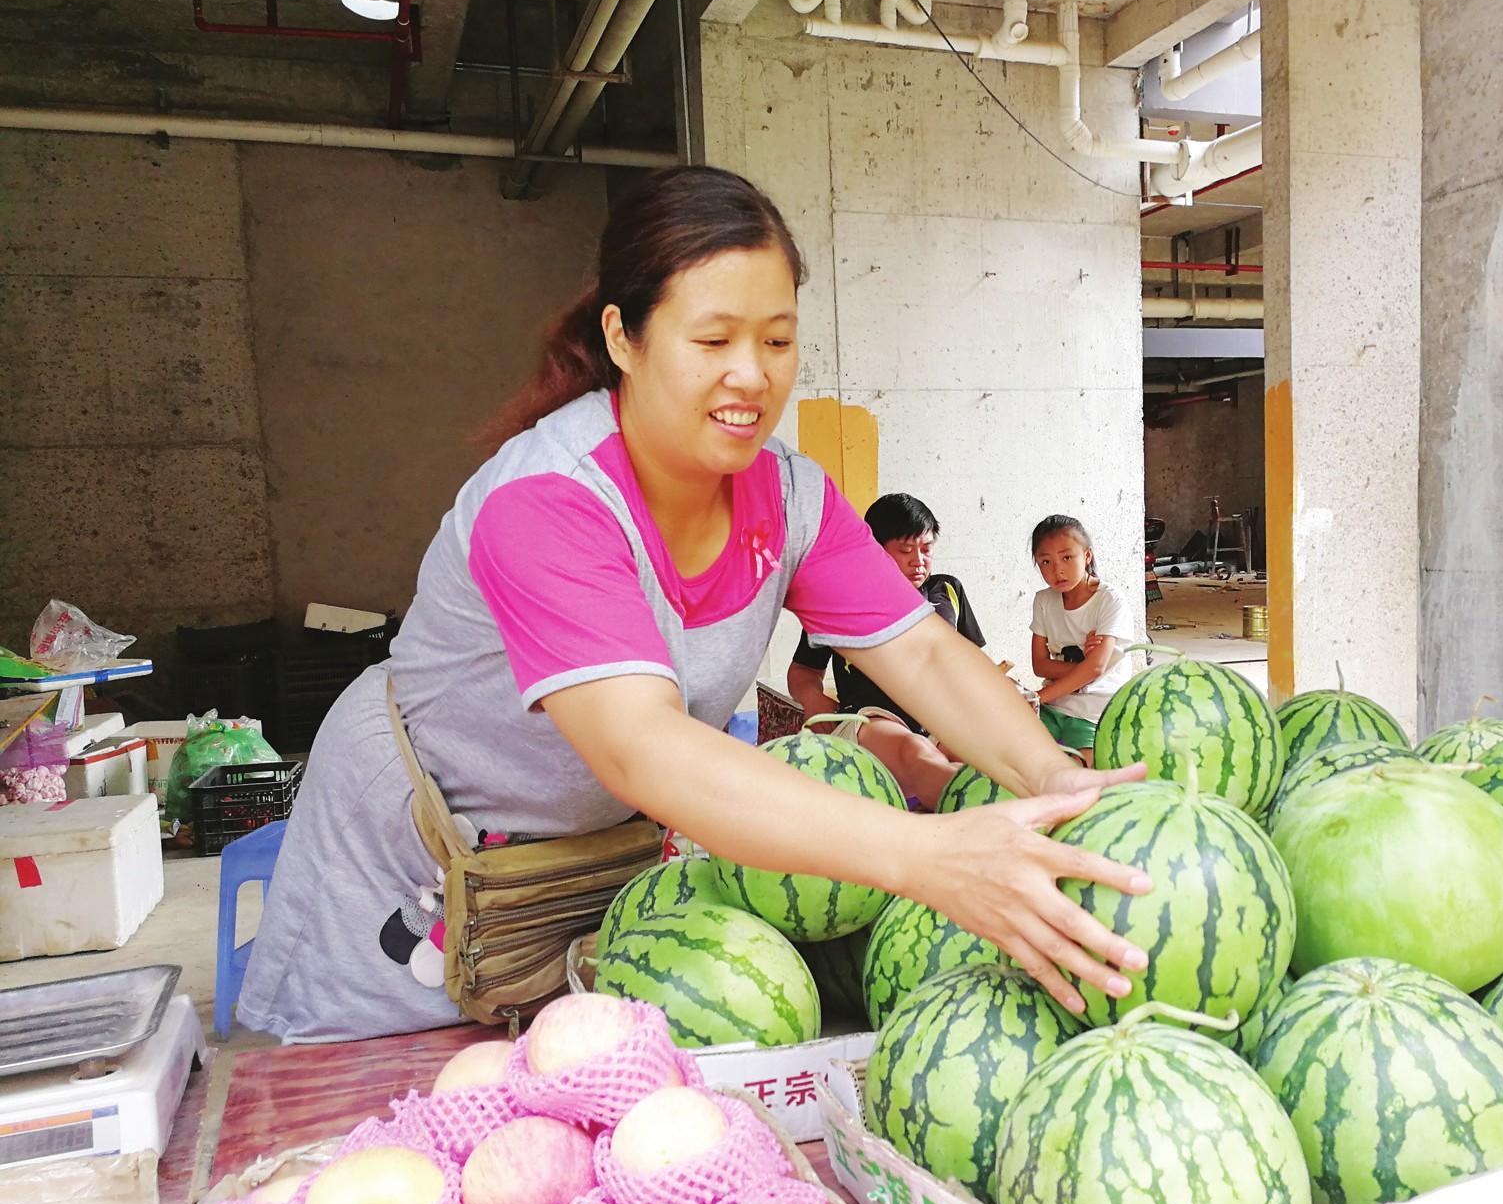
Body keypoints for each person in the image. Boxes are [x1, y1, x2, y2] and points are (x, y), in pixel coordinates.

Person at [236, 167, 1149, 1043]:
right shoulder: (549, 500)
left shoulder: (790, 497)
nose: (752, 375)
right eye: (713, 341)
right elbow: (645, 744)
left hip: (580, 872)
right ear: (624, 338)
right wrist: (933, 857)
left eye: (779, 340)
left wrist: (1049, 773)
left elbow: (921, 652)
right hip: (408, 879)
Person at [787, 493, 986, 808]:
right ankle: (986, 815)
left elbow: (974, 664)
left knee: (986, 757)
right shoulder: (839, 599)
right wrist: (812, 698)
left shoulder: (947, 589)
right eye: (905, 550)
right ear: (874, 550)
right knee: (917, 755)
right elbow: (803, 671)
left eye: (927, 548)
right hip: (872, 720)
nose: (918, 561)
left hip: (941, 715)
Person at [1029, 514, 1136, 764]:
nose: (1058, 570)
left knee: (1074, 773)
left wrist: (1035, 698)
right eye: (1045, 562)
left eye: (1067, 557)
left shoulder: (1110, 600)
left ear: (1086, 556)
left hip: (1095, 711)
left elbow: (1097, 667)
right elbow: (1039, 665)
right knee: (1010, 755)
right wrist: (1083, 668)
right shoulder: (1044, 601)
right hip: (1054, 705)